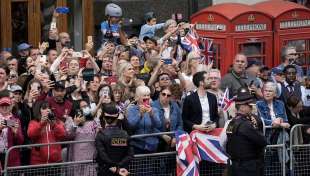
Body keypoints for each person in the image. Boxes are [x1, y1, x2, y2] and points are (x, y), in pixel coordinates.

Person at [225, 87, 267, 176]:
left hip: (236, 165)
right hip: (248, 166)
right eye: (250, 106)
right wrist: (255, 126)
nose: (251, 108)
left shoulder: (231, 122)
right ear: (243, 107)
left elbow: (227, 142)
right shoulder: (247, 125)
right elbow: (263, 141)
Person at [95, 103, 133, 176]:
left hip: (107, 171)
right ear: (117, 118)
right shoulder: (125, 134)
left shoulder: (100, 135)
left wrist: (115, 168)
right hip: (122, 171)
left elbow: (102, 156)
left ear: (104, 118)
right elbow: (130, 155)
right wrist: (119, 166)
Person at [27, 101, 65, 166]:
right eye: (44, 108)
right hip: (38, 163)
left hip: (55, 162)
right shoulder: (34, 122)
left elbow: (63, 135)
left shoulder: (57, 122)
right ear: (39, 111)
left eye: (49, 108)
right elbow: (31, 134)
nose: (47, 110)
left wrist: (54, 125)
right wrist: (41, 124)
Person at [0, 93, 24, 168]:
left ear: (10, 107)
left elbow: (20, 141)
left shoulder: (15, 120)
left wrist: (15, 133)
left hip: (11, 157)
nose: (4, 108)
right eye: (2, 106)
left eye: (6, 106)